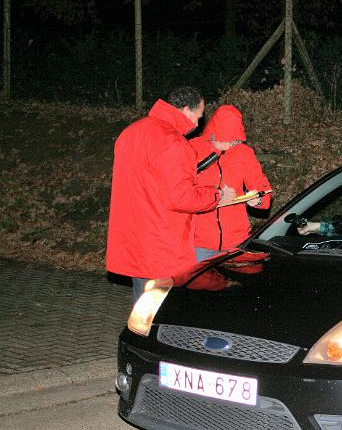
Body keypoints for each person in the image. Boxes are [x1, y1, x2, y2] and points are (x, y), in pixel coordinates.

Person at [106, 86, 236, 304]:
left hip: (134, 237)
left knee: (142, 306)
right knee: (162, 311)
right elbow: (181, 197)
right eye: (198, 115)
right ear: (186, 109)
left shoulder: (131, 132)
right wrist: (215, 196)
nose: (198, 123)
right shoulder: (174, 142)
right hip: (161, 242)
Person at [190, 104, 273, 262]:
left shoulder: (244, 153)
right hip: (199, 242)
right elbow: (181, 191)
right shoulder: (193, 149)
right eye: (224, 140)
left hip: (237, 242)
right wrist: (215, 195)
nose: (229, 146)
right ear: (212, 134)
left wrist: (258, 199)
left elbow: (264, 189)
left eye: (234, 141)